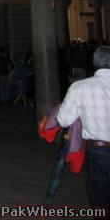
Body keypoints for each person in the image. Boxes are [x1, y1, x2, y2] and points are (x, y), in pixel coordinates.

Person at [57, 46, 110, 211]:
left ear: (94, 63)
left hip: (99, 152)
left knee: (100, 199)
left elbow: (63, 120)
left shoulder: (80, 87)